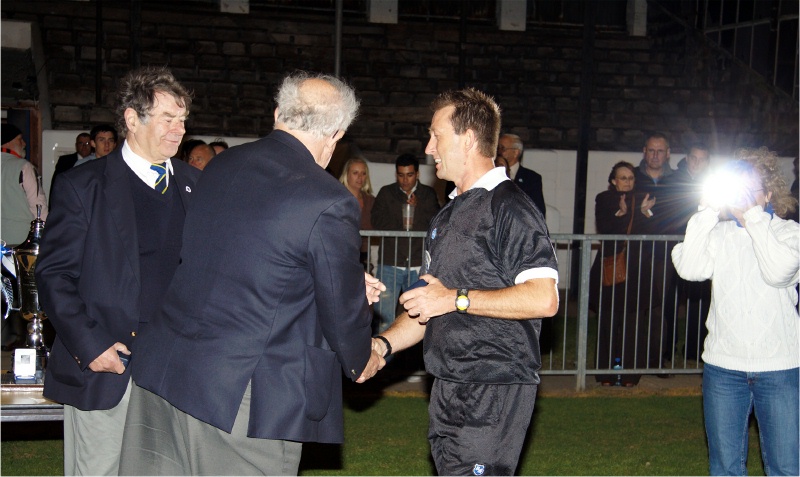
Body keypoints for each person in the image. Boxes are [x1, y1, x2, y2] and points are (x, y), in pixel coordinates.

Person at [118, 71, 385, 476]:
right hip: (240, 396)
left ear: (278, 113)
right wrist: (361, 357)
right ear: (336, 133)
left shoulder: (221, 167)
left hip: (166, 369)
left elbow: (240, 261)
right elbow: (337, 309)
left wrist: (334, 279)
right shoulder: (327, 198)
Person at [372, 88, 559, 475]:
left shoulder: (510, 206)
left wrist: (456, 299)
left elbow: (544, 298)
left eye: (436, 135)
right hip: (447, 383)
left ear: (468, 138)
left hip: (492, 384)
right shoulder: (445, 216)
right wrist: (383, 345)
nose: (428, 147)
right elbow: (429, 302)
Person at [34, 65, 200, 476]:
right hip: (110, 369)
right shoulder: (83, 187)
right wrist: (91, 347)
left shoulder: (199, 185)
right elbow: (53, 275)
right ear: (131, 118)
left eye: (182, 120)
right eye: (167, 119)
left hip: (175, 374)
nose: (178, 130)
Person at [672, 147, 799, 476]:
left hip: (780, 369)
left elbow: (777, 271)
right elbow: (688, 267)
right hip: (724, 370)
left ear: (768, 193)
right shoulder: (719, 234)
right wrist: (707, 211)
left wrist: (752, 216)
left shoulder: (790, 234)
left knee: (785, 467)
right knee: (725, 468)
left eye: (750, 187)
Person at [588, 161, 660, 386]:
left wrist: (645, 212)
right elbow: (605, 228)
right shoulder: (604, 198)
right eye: (622, 177)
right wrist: (622, 213)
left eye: (630, 178)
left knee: (634, 322)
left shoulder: (643, 198)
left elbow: (651, 231)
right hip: (611, 267)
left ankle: (630, 375)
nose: (627, 182)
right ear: (613, 181)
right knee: (608, 321)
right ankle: (605, 374)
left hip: (637, 269)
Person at [371, 153, 440, 333]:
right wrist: (401, 218)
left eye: (409, 175)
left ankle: (412, 360)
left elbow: (435, 223)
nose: (405, 180)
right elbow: (376, 222)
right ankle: (384, 357)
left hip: (418, 263)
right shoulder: (386, 192)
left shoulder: (427, 194)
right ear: (396, 174)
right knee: (384, 319)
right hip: (390, 262)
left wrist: (418, 208)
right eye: (401, 175)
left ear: (417, 174)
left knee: (418, 321)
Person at [663, 143, 712, 360]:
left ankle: (695, 349)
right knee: (670, 301)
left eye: (702, 159)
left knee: (699, 300)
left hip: (701, 245)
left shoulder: (713, 184)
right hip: (674, 243)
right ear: (687, 157)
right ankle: (668, 346)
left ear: (707, 162)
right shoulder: (673, 180)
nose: (697, 162)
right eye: (694, 157)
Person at [1, 124, 48, 246]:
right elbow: (38, 206)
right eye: (20, 139)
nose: (24, 144)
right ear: (7, 141)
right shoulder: (24, 167)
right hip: (19, 241)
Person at [496, 133, 546, 217]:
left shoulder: (531, 178)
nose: (499, 152)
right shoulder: (491, 173)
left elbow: (538, 211)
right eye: (498, 148)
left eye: (502, 148)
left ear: (516, 153)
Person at [338, 155, 375, 267]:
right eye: (355, 173)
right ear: (347, 174)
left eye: (363, 173)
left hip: (364, 254)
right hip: (340, 251)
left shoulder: (370, 200)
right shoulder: (337, 198)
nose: (360, 177)